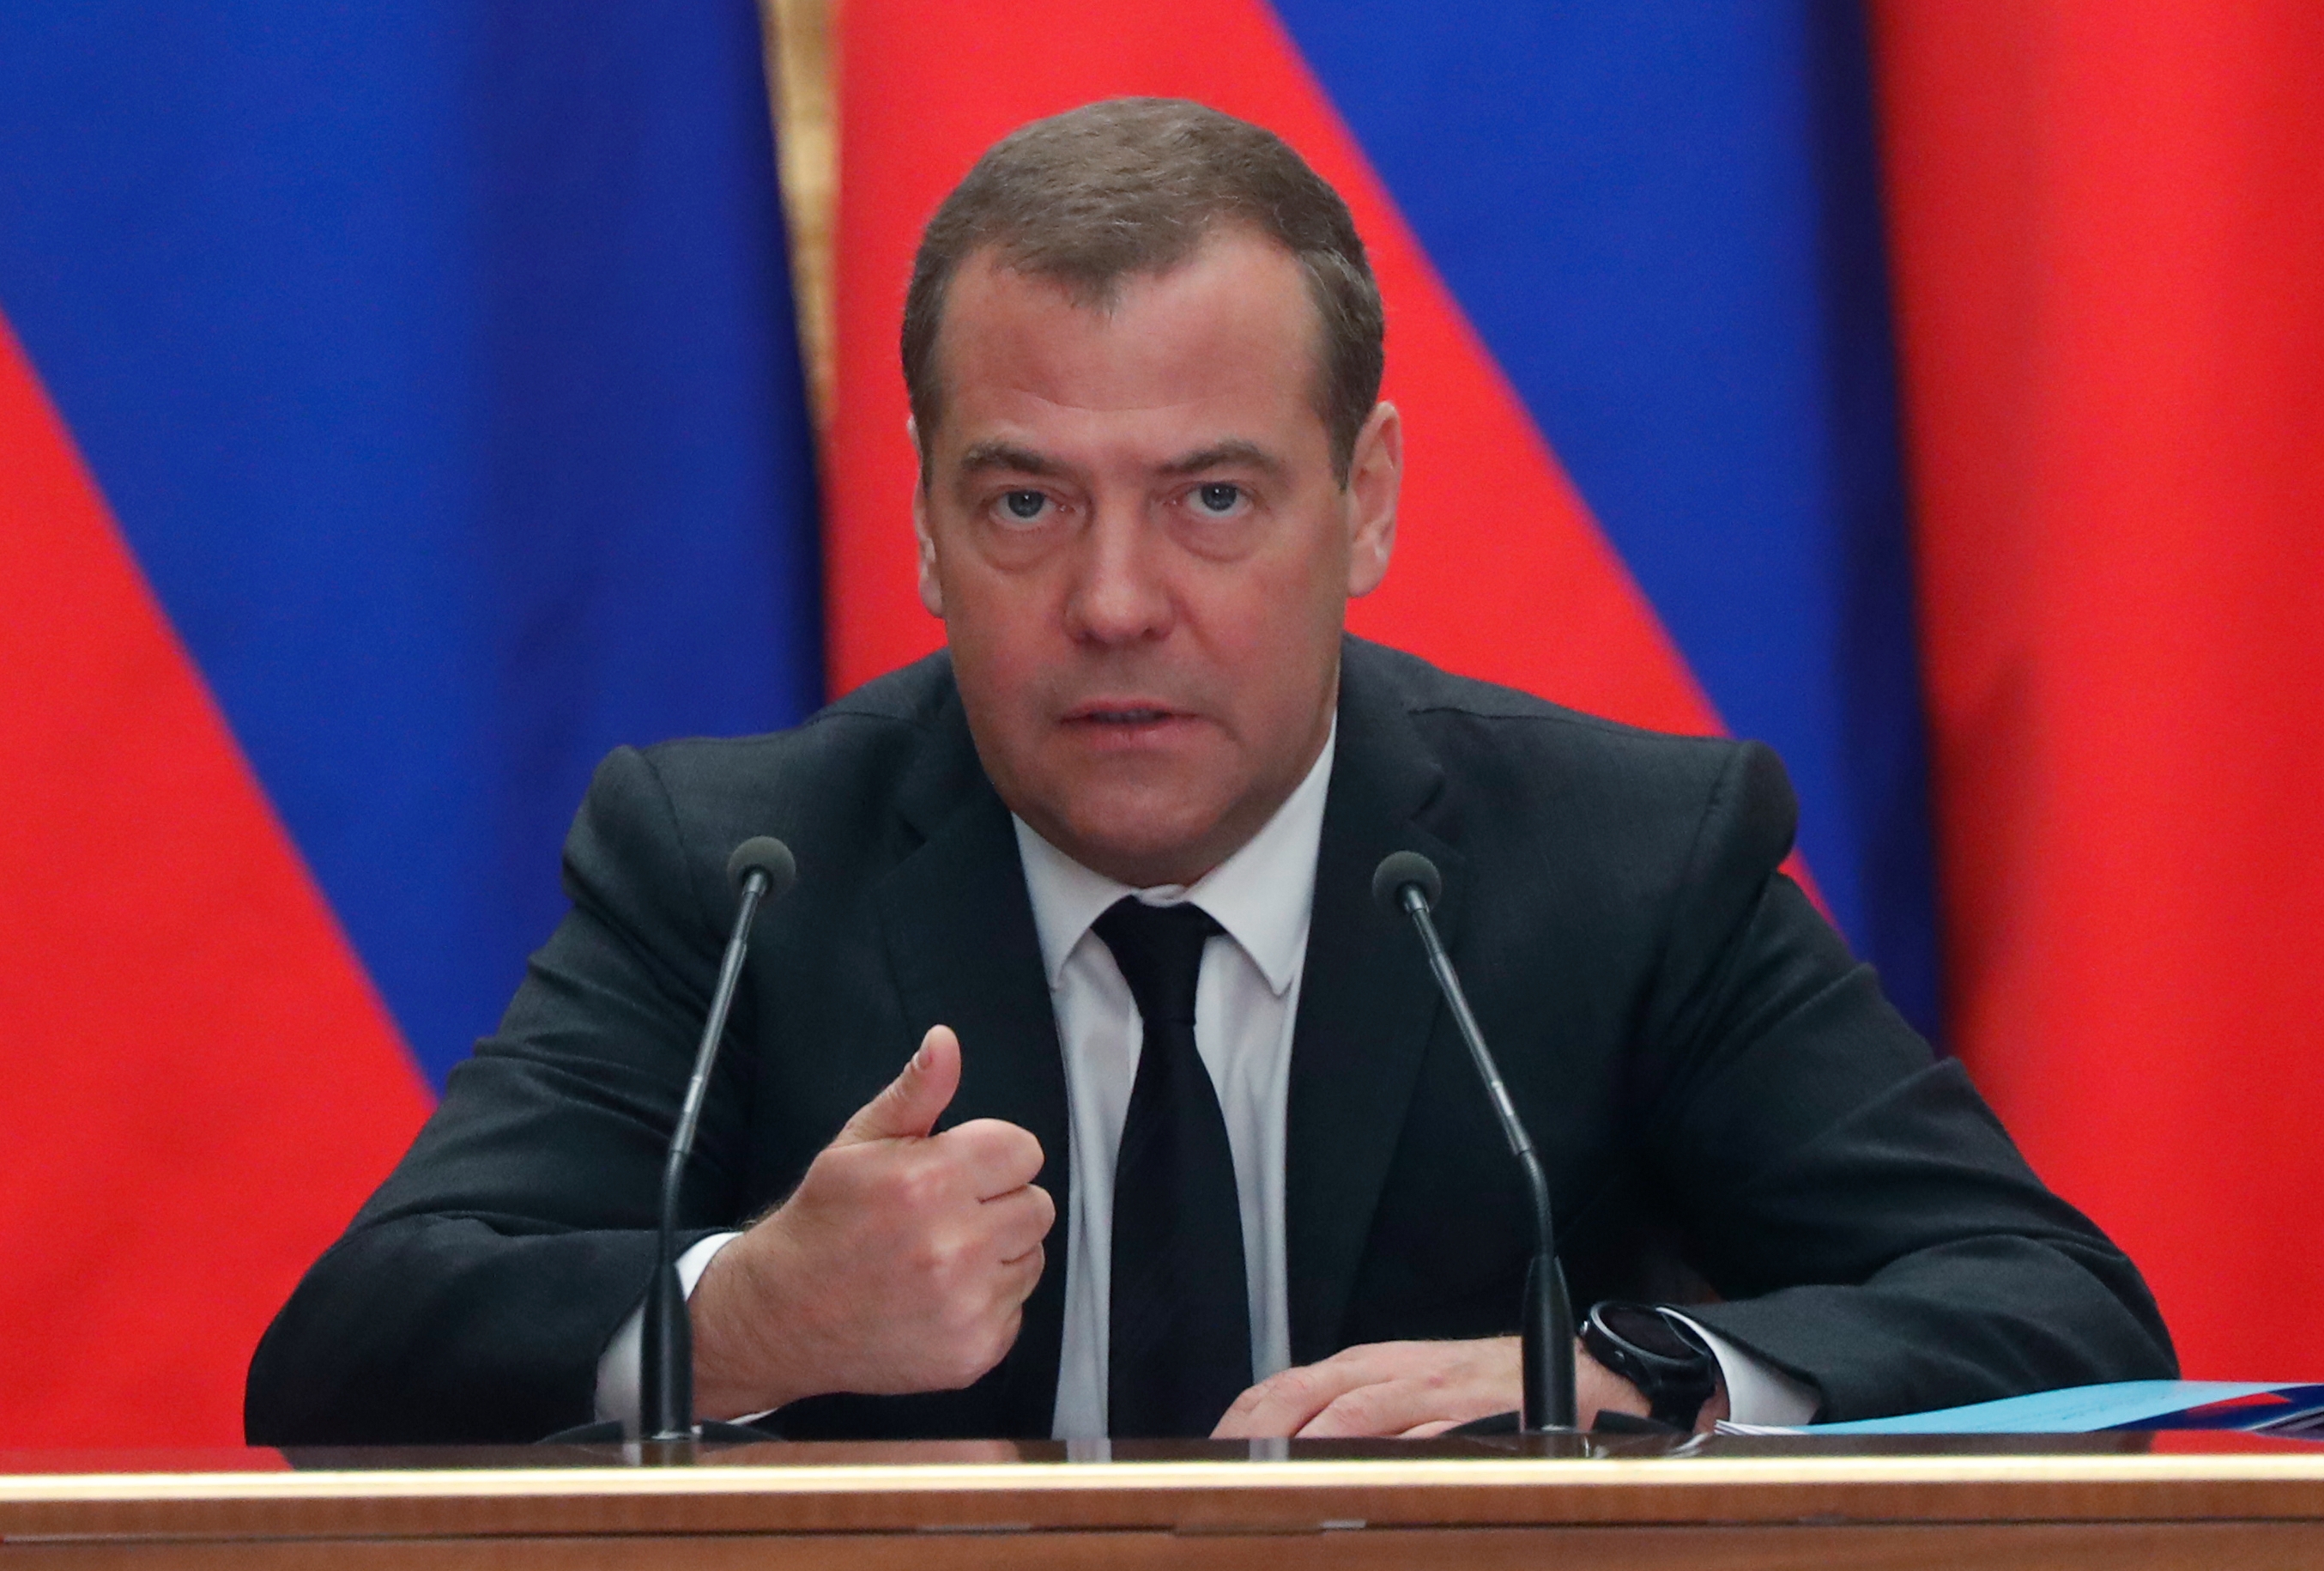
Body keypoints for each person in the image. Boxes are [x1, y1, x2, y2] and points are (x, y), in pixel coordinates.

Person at [246, 98, 2172, 1446]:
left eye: (1214, 498)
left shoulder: (1625, 863)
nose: (1113, 603)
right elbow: (348, 1350)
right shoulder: (740, 866)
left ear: (1368, 501)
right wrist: (746, 1315)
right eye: (1025, 502)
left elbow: (2064, 1317)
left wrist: (1617, 1376)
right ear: (922, 524)